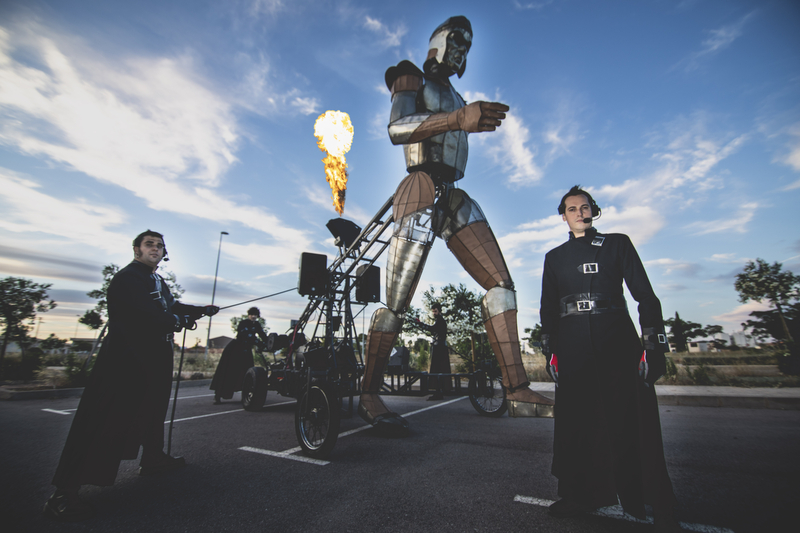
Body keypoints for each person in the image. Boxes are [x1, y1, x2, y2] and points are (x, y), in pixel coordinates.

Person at [359, 15, 554, 436]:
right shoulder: (410, 78)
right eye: (457, 41)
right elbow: (396, 129)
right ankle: (369, 392)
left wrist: (464, 116)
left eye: (468, 46)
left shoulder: (457, 94)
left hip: (452, 192)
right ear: (437, 44)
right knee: (397, 301)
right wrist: (457, 120)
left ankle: (517, 387)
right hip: (420, 186)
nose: (462, 51)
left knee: (501, 284)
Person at [44, 230, 219, 522]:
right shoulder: (128, 278)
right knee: (102, 419)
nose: (156, 248)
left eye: (160, 245)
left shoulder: (157, 280)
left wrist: (200, 310)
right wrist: (178, 321)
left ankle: (153, 459)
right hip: (124, 362)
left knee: (152, 410)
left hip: (154, 359)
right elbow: (148, 313)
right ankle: (63, 493)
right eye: (149, 244)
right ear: (136, 250)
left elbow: (171, 307)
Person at [539, 186, 683, 532]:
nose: (579, 212)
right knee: (577, 423)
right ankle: (580, 495)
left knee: (634, 420)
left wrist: (653, 346)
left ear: (594, 210)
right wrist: (552, 352)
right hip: (573, 346)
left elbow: (646, 297)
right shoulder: (554, 257)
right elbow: (548, 309)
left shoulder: (618, 243)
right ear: (563, 216)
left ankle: (659, 503)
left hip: (616, 339)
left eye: (584, 207)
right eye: (571, 208)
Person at [210, 307, 267, 404]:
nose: (253, 316)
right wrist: (258, 342)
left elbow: (262, 335)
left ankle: (245, 396)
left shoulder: (257, 325)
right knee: (228, 371)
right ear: (248, 315)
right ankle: (218, 395)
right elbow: (245, 335)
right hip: (234, 350)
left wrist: (267, 342)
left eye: (255, 315)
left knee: (247, 372)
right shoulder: (243, 323)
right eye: (252, 314)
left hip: (246, 351)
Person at [413, 302, 452, 400]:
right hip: (439, 347)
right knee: (439, 369)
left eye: (435, 311)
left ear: (439, 311)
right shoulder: (439, 320)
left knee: (437, 369)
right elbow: (434, 330)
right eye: (433, 311)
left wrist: (421, 324)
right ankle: (439, 391)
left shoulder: (441, 321)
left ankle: (439, 392)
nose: (434, 313)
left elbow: (433, 329)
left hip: (440, 349)